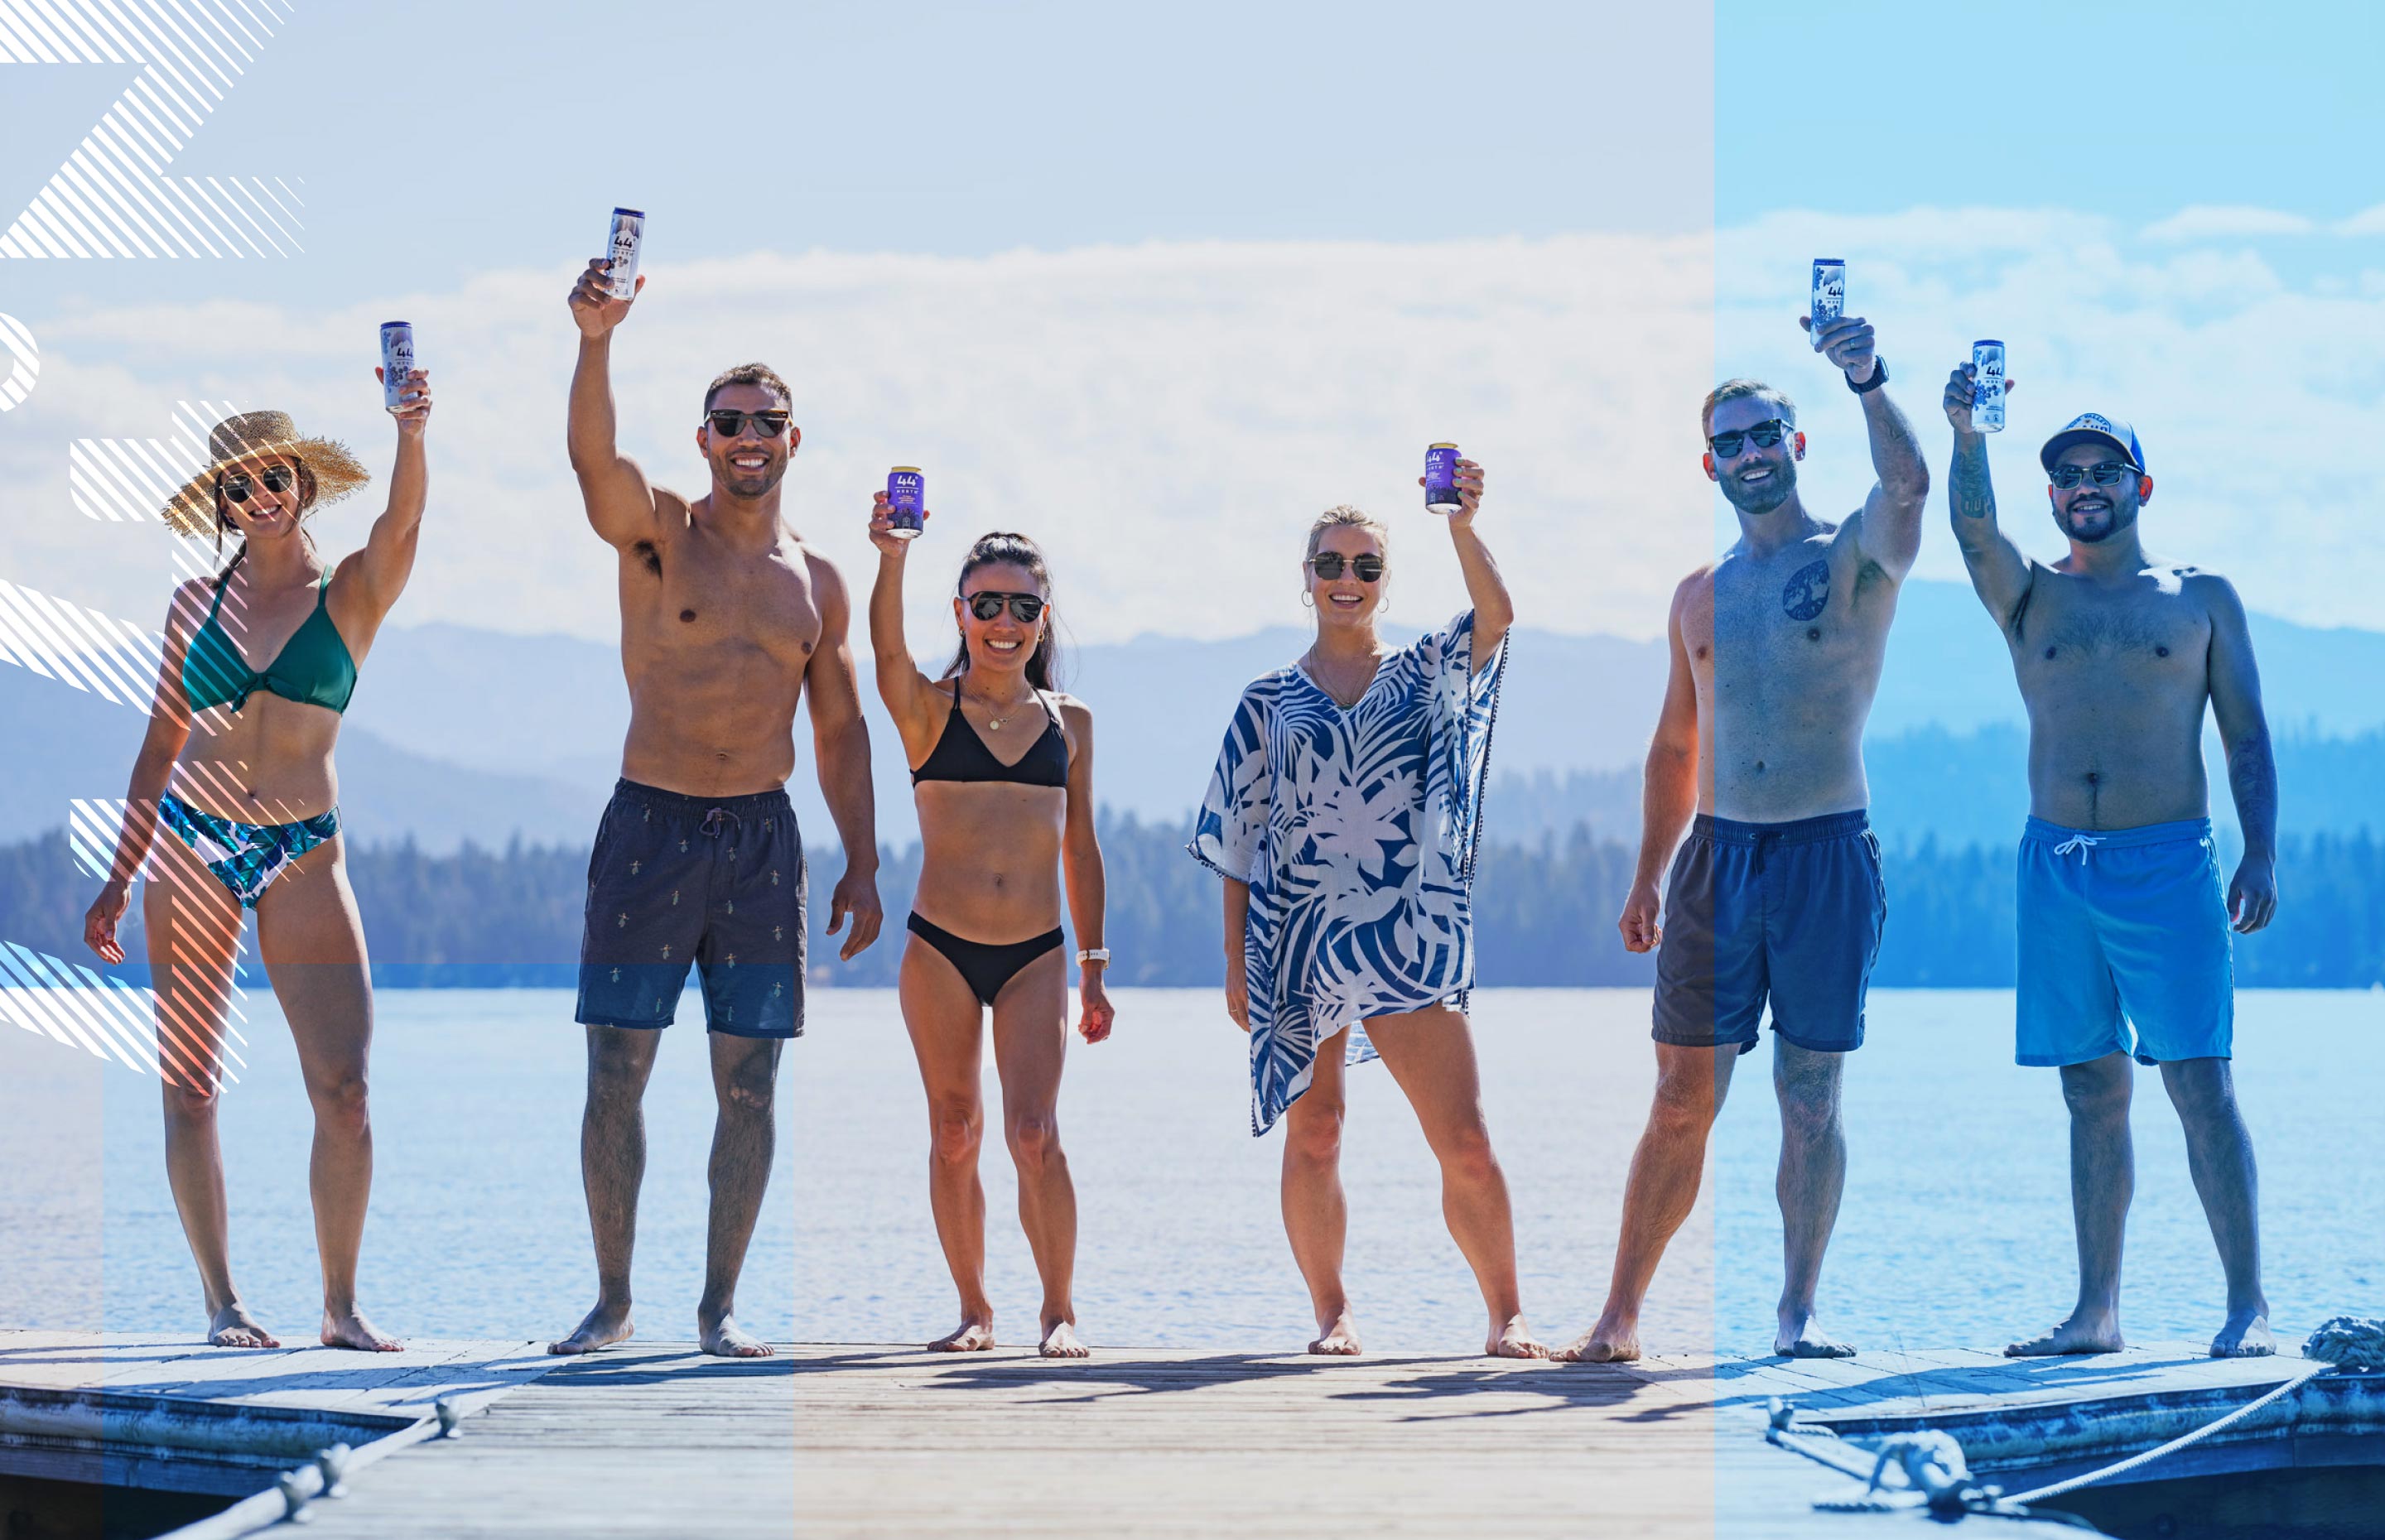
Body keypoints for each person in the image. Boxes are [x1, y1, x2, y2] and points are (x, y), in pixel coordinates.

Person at [1559, 311, 1930, 1364]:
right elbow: (1675, 746)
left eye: (1767, 433)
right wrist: (1645, 877)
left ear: (1796, 444)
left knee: (1809, 1096)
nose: (1752, 453)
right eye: (1733, 441)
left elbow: (1907, 492)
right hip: (1716, 862)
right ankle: (1620, 1317)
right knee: (1681, 1097)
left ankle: (1796, 1316)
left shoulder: (1854, 559)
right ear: (1710, 463)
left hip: (1825, 854)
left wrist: (1867, 378)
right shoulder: (1698, 597)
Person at [551, 254, 883, 1359]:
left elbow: (838, 727)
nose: (750, 433)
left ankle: (718, 1310)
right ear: (704, 438)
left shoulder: (817, 581)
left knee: (751, 1081)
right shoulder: (658, 534)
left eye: (768, 420)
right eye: (730, 418)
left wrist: (865, 863)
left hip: (759, 843)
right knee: (617, 1069)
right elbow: (592, 459)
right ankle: (611, 1303)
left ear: (795, 440)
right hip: (650, 823)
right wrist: (597, 339)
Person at [83, 375, 435, 1351]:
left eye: (272, 478)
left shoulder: (351, 593)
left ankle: (339, 1306)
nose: (257, 497)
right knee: (190, 1086)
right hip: (191, 845)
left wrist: (411, 431)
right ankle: (223, 1304)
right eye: (236, 487)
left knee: (347, 1093)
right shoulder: (194, 603)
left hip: (303, 852)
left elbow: (406, 522)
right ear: (223, 504)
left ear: (301, 484)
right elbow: (159, 744)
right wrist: (120, 872)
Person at [1942, 368, 2277, 1359]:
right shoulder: (2030, 596)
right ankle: (2097, 1314)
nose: (2086, 484)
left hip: (2168, 865)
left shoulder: (2199, 597)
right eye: (2069, 474)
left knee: (2200, 1081)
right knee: (2090, 1089)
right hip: (2056, 867)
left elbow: (2246, 737)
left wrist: (2261, 851)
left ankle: (2248, 1305)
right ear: (2052, 495)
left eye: (2105, 469)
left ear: (2141, 486)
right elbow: (1971, 533)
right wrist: (1966, 433)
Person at [1190, 464, 1542, 1360]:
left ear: (1387, 579)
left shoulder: (1425, 671)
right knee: (1317, 1132)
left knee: (1463, 1141)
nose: (1348, 579)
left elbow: (1496, 619)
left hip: (1403, 931)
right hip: (1299, 938)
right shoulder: (1265, 701)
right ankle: (1332, 1313)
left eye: (1368, 565)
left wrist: (1462, 524)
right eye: (1331, 562)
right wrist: (1236, 964)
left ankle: (1507, 1316)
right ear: (1304, 577)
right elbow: (1237, 836)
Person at [867, 509, 1114, 1359]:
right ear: (961, 611)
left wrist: (1095, 965)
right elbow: (886, 656)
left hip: (1037, 954)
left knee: (1033, 1132)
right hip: (940, 945)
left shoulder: (1069, 723)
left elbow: (1081, 846)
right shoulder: (929, 712)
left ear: (1044, 617)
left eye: (1022, 607)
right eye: (986, 606)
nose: (1003, 623)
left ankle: (1059, 1313)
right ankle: (975, 1310)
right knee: (953, 1129)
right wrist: (892, 557)